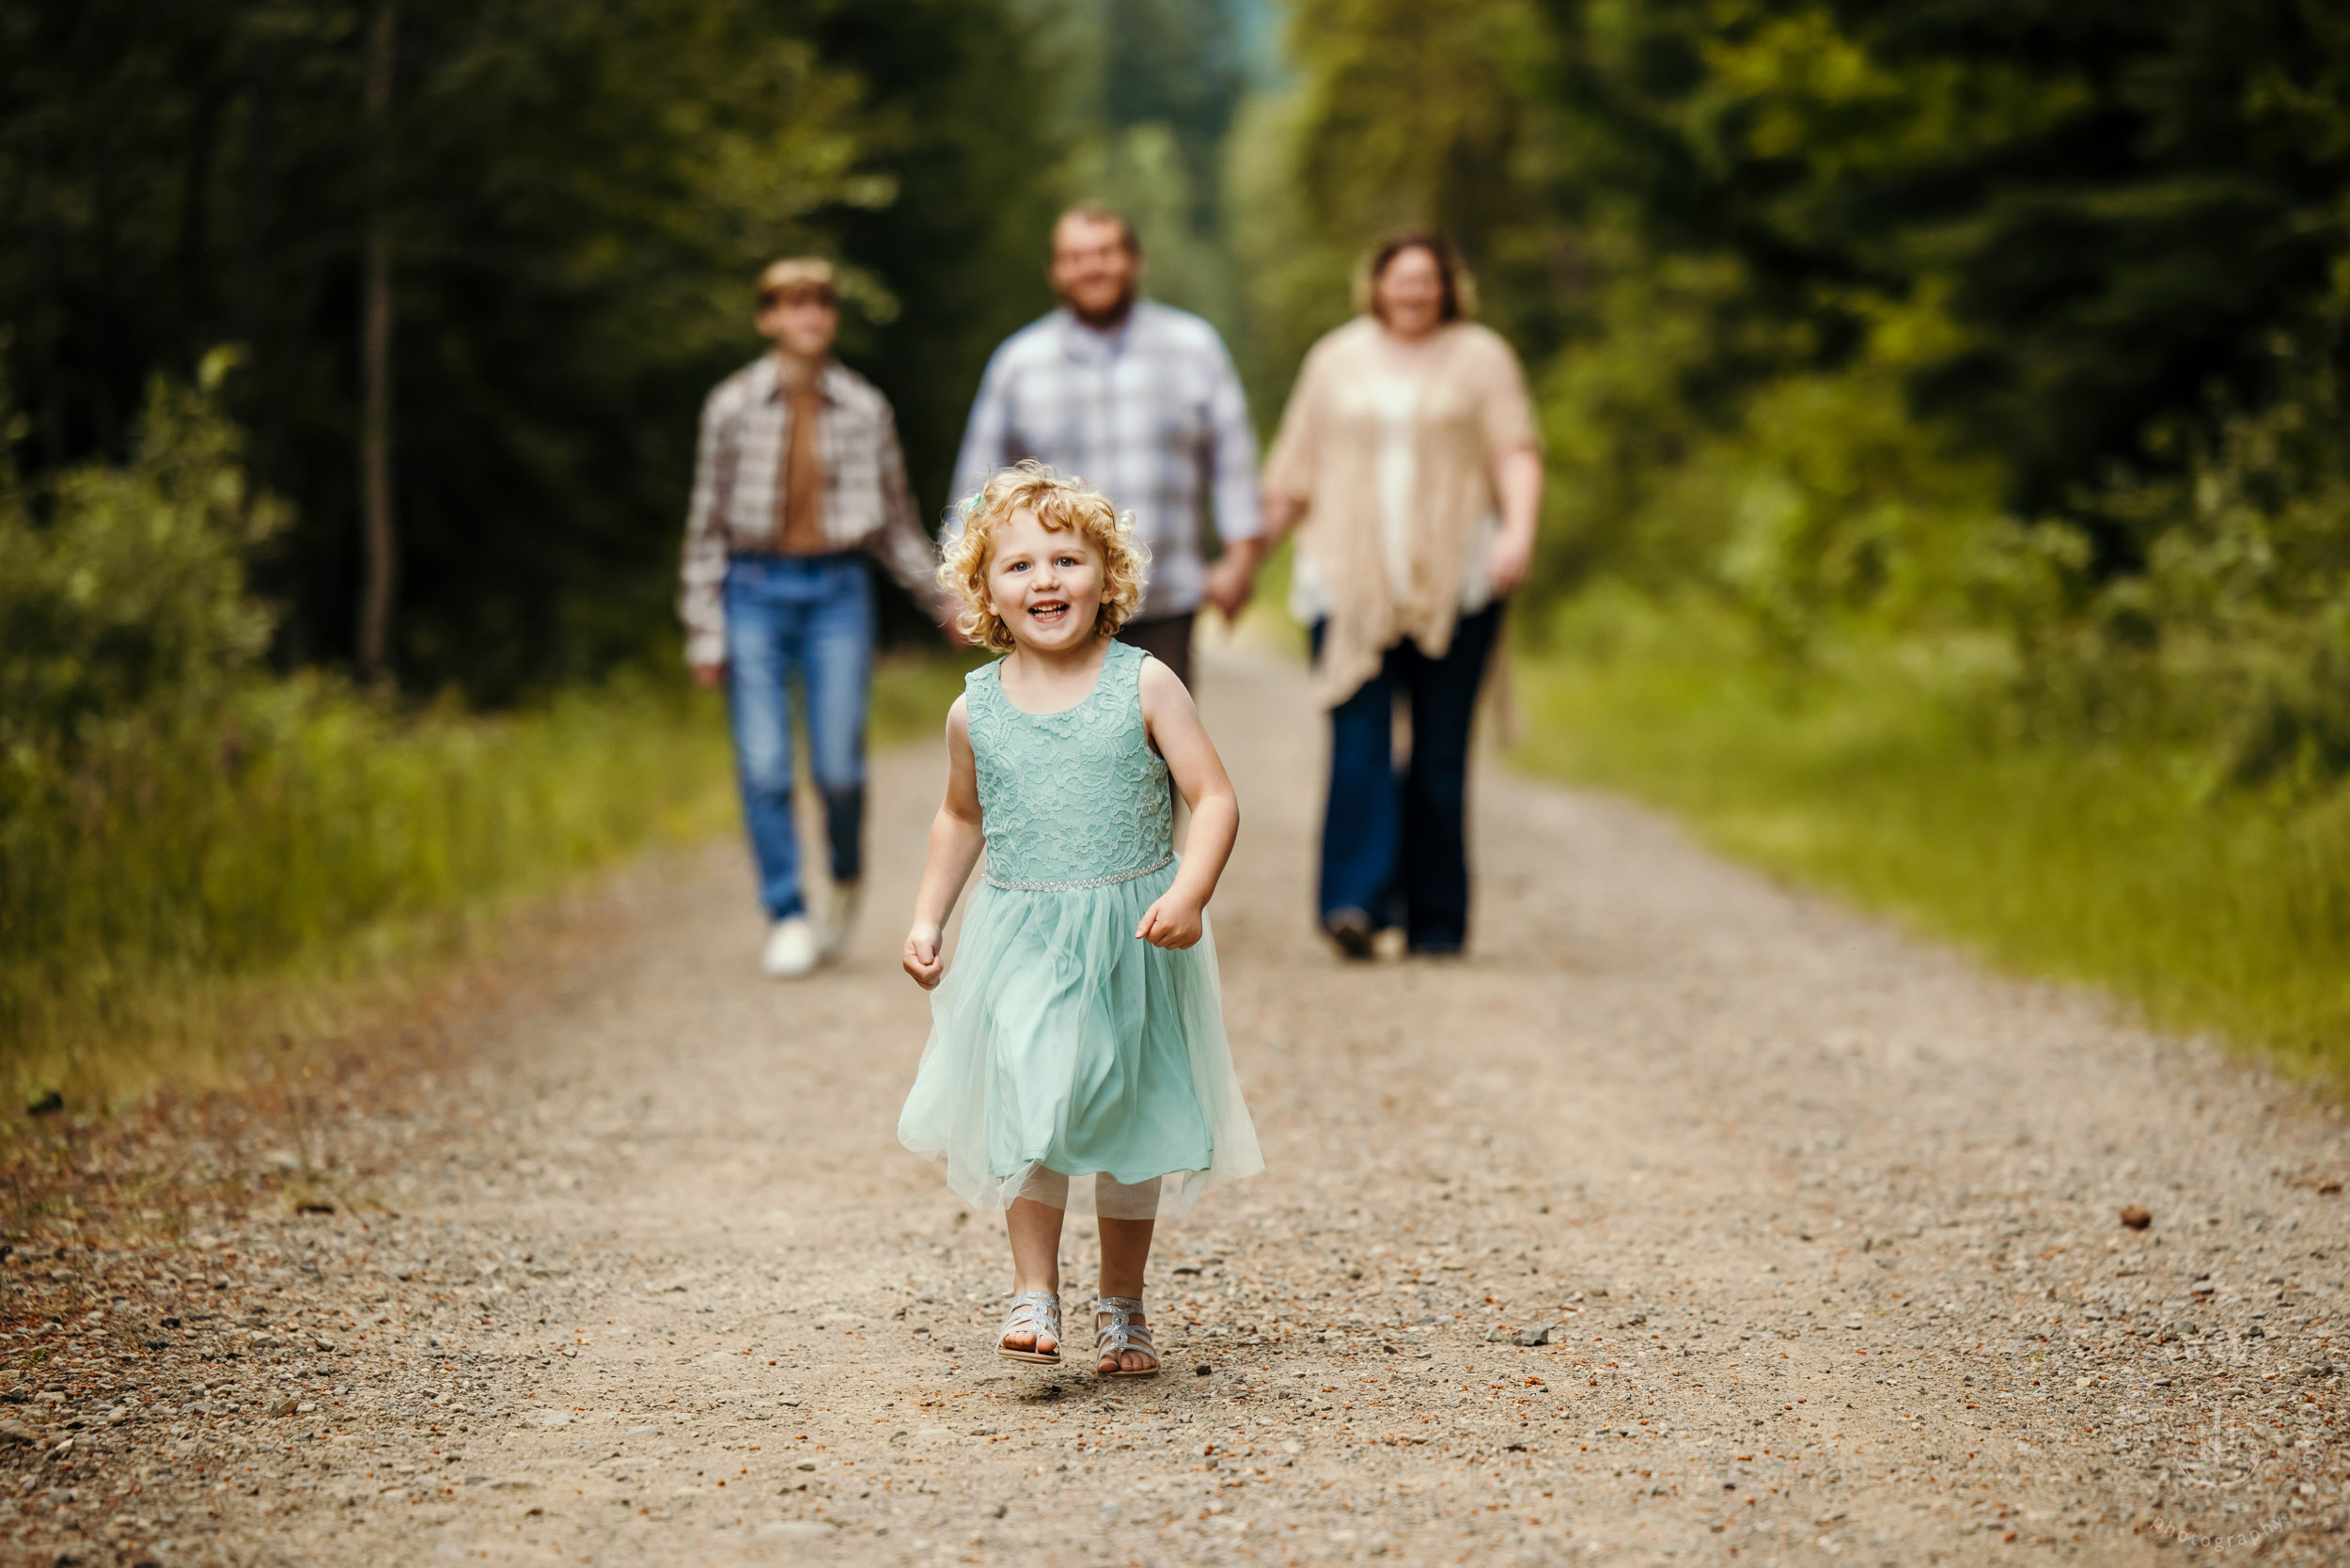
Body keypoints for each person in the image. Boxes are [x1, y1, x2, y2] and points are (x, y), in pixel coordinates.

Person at [897, 463, 1262, 1376]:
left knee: (1126, 1118)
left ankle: (1123, 1306)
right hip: (1021, 934)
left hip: (1132, 935)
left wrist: (1189, 892)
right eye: (1019, 566)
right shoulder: (972, 708)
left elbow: (1212, 797)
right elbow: (961, 816)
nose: (1045, 580)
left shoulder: (1145, 684)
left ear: (1109, 579)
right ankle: (1034, 1292)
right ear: (983, 590)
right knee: (1031, 1090)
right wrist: (928, 915)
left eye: (1067, 560)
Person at [1259, 232, 1544, 959]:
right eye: (1400, 279)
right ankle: (1353, 903)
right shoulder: (1336, 357)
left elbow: (1515, 449)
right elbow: (1294, 467)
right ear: (1377, 285)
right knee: (1358, 743)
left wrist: (1518, 532)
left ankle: (1437, 921)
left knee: (1440, 755)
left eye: (1427, 280)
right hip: (1347, 585)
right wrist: (1243, 558)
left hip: (1459, 583)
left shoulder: (1483, 356)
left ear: (1449, 287)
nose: (1413, 293)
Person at [680, 258, 954, 980]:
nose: (807, 317)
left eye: (821, 304)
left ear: (832, 317)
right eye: (791, 305)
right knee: (765, 762)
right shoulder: (731, 404)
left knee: (837, 766)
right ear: (767, 316)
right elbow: (706, 525)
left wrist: (945, 600)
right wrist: (705, 628)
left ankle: (843, 872)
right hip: (754, 587)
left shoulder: (865, 407)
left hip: (839, 588)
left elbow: (896, 524)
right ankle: (787, 912)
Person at [950, 206, 1264, 691]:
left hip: (1165, 596)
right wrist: (959, 586)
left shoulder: (1193, 346)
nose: (1091, 267)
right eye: (1075, 257)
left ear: (1133, 260)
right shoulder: (1018, 362)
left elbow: (1233, 460)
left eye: (1104, 252)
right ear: (1056, 271)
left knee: (1161, 751)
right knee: (1061, 752)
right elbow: (980, 477)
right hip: (1053, 604)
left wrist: (1240, 560)